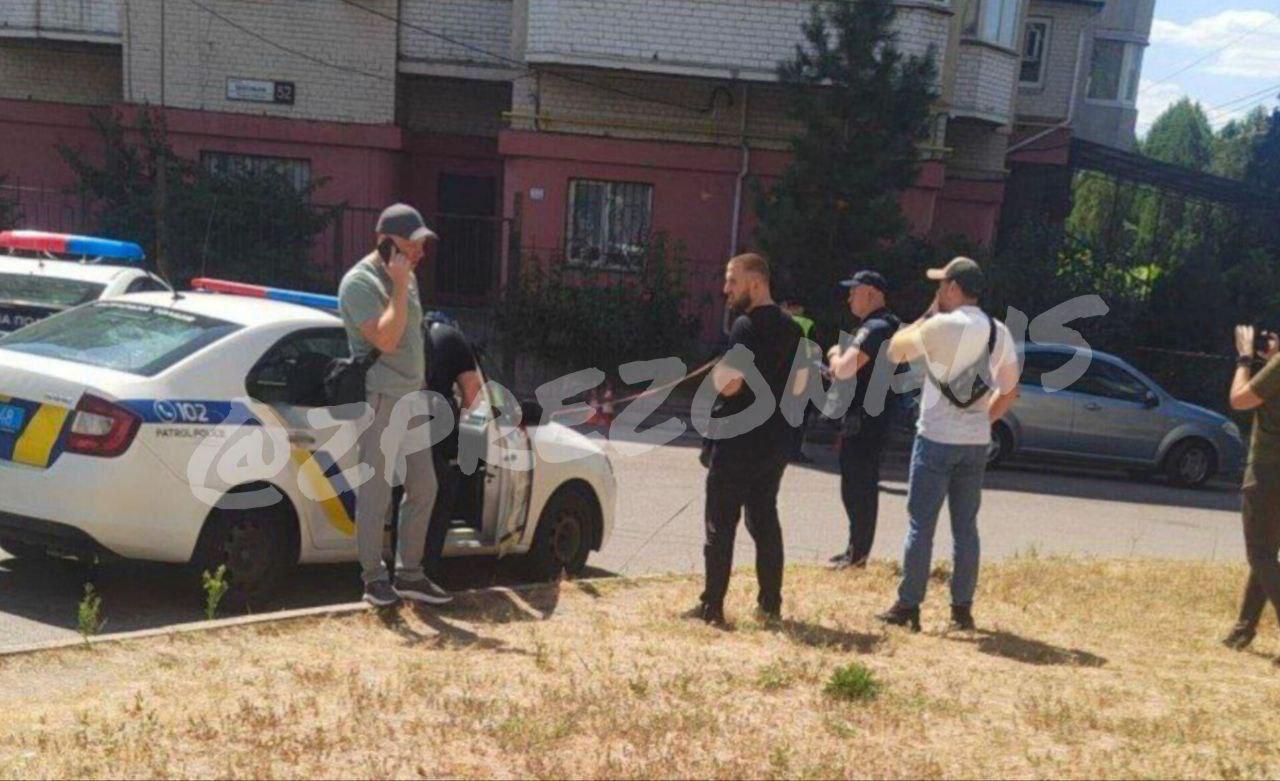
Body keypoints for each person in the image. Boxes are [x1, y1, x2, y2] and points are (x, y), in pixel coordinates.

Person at [876, 257, 1020, 632]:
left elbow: (895, 351)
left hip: (935, 438)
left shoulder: (941, 325)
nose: (938, 290)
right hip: (975, 444)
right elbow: (1009, 391)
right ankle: (961, 609)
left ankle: (909, 607)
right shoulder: (998, 331)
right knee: (965, 528)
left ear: (954, 288)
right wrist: (984, 420)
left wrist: (928, 313)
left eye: (941, 285)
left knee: (921, 525)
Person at [338, 203, 446, 608]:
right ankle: (373, 578)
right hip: (381, 395)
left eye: (422, 244)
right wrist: (399, 286)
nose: (420, 252)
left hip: (411, 395)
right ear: (386, 242)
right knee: (376, 492)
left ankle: (410, 574)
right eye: (412, 244)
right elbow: (385, 339)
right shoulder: (360, 282)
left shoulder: (407, 277)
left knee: (425, 486)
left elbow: (412, 334)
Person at [690, 253, 803, 626]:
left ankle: (712, 606)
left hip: (737, 440)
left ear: (756, 283)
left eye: (732, 281)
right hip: (774, 442)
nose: (726, 289)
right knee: (765, 522)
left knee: (720, 525)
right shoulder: (793, 329)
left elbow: (732, 385)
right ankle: (770, 604)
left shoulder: (744, 326)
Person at [825, 270, 901, 569]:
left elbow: (845, 369)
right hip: (871, 417)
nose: (849, 298)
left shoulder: (875, 328)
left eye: (854, 292)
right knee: (857, 485)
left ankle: (857, 555)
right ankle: (854, 549)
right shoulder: (885, 325)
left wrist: (834, 355)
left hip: (866, 421)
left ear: (871, 293)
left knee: (859, 487)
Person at [1222, 325, 1280, 657]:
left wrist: (1244, 358)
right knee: (1266, 553)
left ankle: (1243, 629)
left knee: (1260, 555)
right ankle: (1243, 630)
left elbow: (1239, 400)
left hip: (1268, 470)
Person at [419, 312, 485, 594]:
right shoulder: (454, 339)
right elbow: (473, 392)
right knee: (442, 492)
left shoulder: (408, 335)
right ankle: (425, 573)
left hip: (392, 423)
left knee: (406, 498)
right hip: (431, 428)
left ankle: (399, 570)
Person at [781, 300, 819, 463]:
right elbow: (814, 351)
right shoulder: (807, 323)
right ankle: (794, 451)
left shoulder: (778, 323)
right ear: (799, 308)